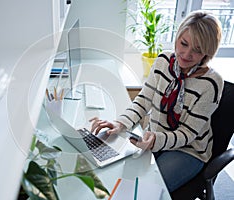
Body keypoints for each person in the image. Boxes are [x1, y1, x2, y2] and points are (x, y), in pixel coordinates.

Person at [90, 10, 223, 193]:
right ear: (177, 38)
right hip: (154, 138)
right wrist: (120, 123)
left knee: (145, 191)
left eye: (197, 50)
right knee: (118, 181)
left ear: (207, 53)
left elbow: (188, 134)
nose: (186, 54)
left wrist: (155, 141)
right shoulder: (163, 61)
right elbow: (143, 101)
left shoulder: (211, 84)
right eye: (183, 43)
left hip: (188, 150)